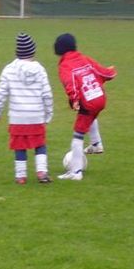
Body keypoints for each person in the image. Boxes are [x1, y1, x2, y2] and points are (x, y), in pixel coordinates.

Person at [54, 33, 117, 180]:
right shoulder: (84, 58)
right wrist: (110, 72)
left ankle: (75, 172)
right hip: (100, 97)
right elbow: (100, 71)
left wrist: (74, 99)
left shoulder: (65, 65)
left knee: (77, 136)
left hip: (88, 102)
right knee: (91, 116)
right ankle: (96, 144)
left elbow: (70, 83)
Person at [0, 32, 54, 184]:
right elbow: (47, 94)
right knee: (40, 144)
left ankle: (20, 176)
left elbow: (1, 93)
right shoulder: (40, 70)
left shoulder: (8, 70)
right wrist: (49, 113)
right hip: (36, 116)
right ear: (33, 51)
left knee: (19, 146)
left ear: (17, 52)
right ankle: (42, 172)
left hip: (17, 117)